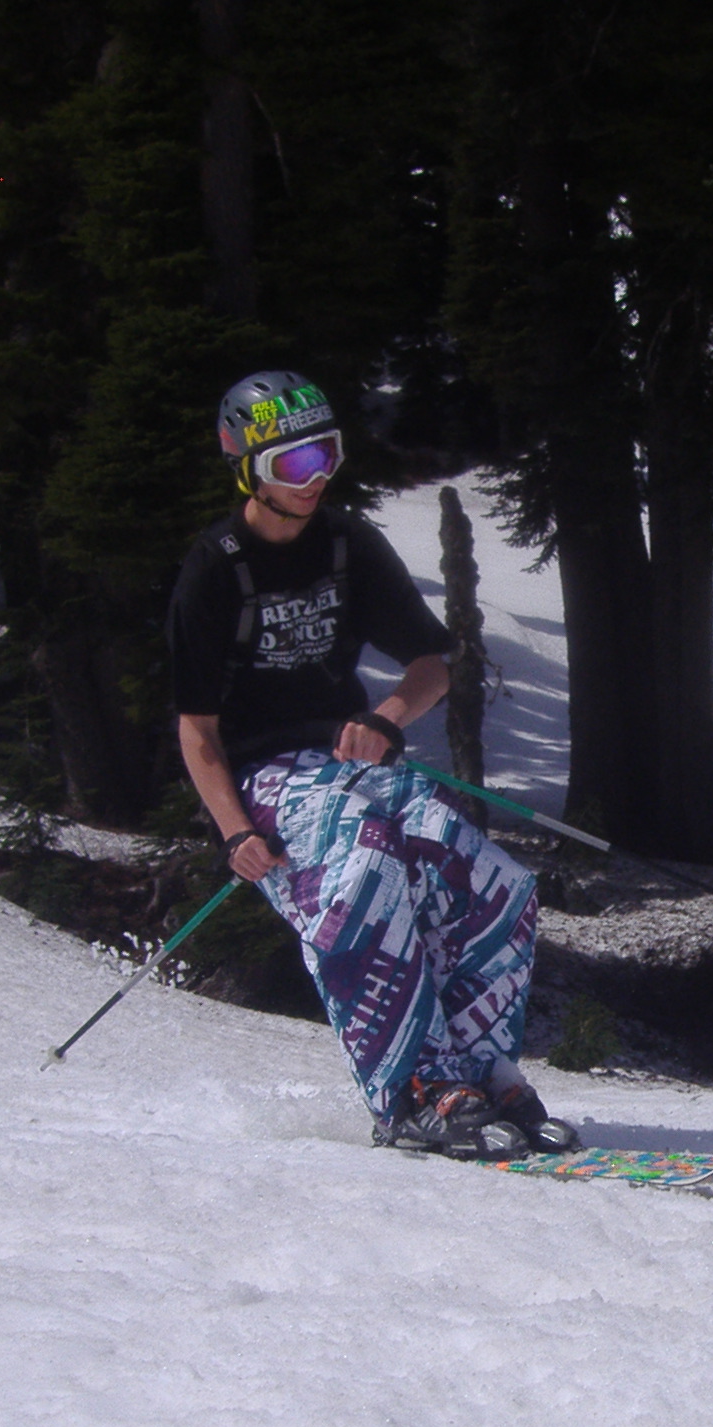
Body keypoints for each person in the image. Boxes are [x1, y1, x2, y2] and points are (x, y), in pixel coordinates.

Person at [166, 370, 579, 1160]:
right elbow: (196, 728)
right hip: (265, 775)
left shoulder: (349, 545)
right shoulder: (214, 569)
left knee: (483, 874)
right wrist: (231, 831)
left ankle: (483, 1073)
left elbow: (433, 660)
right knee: (362, 869)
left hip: (344, 760)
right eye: (293, 464)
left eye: (326, 455)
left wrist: (387, 717)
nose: (316, 478)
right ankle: (415, 1089)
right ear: (247, 465)